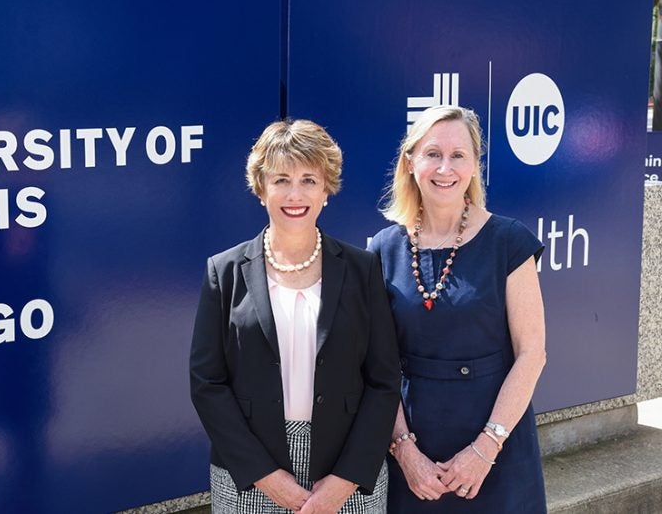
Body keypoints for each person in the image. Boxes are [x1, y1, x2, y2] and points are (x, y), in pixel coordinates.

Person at [190, 118, 401, 514]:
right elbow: (207, 383)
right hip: (250, 476)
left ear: (326, 189)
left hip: (347, 474)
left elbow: (384, 381)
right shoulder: (225, 271)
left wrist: (347, 478)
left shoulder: (362, 269)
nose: (295, 194)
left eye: (308, 179)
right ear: (261, 188)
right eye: (281, 180)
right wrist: (266, 476)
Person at [367, 106, 548, 513]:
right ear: (410, 162)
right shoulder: (383, 249)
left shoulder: (509, 242)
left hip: (497, 448)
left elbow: (532, 353)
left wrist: (485, 448)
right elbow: (376, 365)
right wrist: (404, 451)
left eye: (458, 155)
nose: (444, 168)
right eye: (432, 154)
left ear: (474, 166)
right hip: (414, 455)